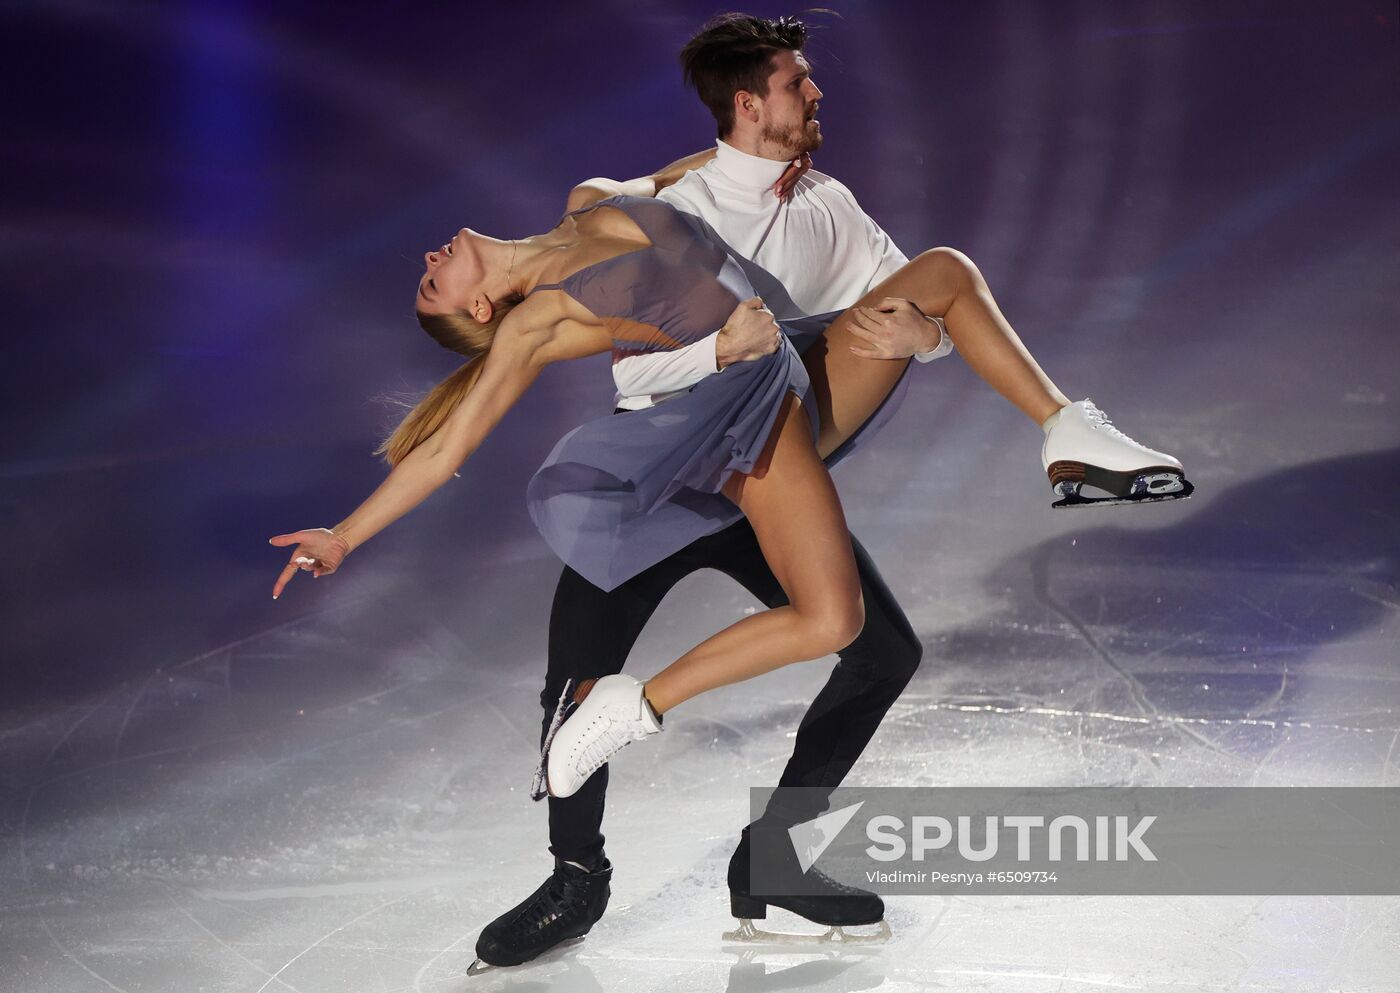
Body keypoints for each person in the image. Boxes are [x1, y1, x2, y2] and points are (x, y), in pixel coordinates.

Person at [270, 12, 1193, 969]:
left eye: (422, 271)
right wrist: (344, 533)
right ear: (476, 308)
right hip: (671, 465)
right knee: (570, 692)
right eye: (430, 286)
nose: (426, 260)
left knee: (882, 644)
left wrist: (902, 309)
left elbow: (716, 168)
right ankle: (575, 880)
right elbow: (449, 443)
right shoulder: (534, 321)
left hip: (767, 423)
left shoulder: (601, 198)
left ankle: (776, 858)